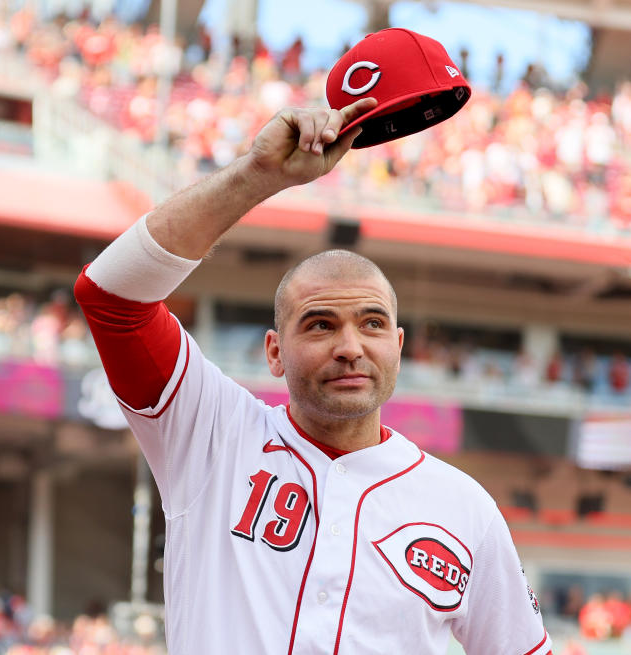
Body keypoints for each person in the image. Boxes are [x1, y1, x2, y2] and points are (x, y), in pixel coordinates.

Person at [75, 98, 551, 654]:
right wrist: (258, 176)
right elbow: (111, 297)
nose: (350, 348)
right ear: (275, 352)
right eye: (320, 325)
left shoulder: (464, 506)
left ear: (397, 347)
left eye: (372, 324)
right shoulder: (212, 435)